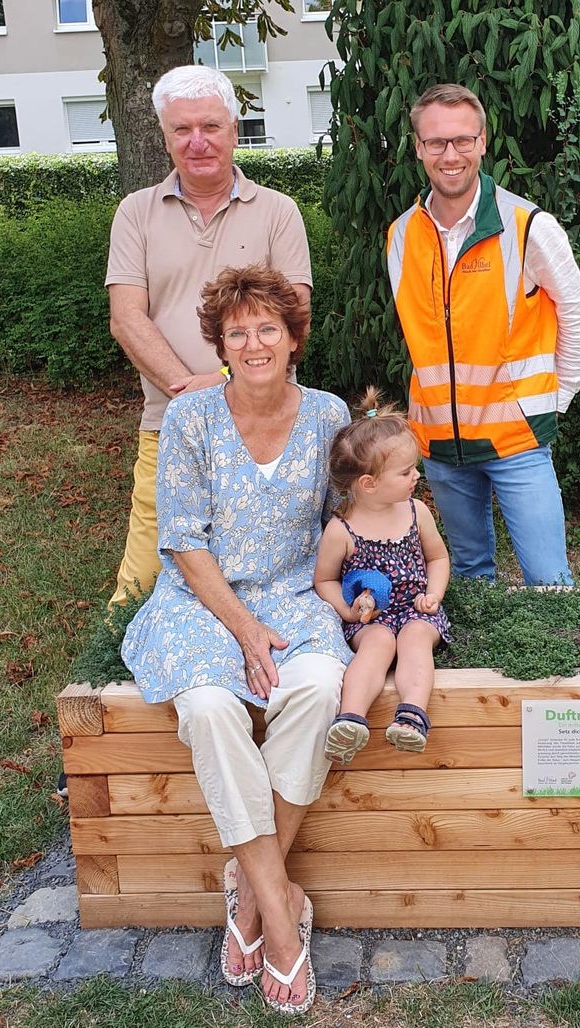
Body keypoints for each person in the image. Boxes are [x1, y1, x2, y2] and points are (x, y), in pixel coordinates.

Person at [121, 265, 349, 1014]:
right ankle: (281, 917)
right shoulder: (190, 417)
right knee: (211, 709)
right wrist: (244, 629)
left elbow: (348, 516)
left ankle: (249, 894)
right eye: (237, 332)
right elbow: (183, 540)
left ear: (293, 340)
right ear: (219, 345)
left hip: (294, 596)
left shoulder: (327, 414)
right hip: (200, 600)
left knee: (318, 689)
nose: (253, 344)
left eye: (267, 329)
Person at [105, 64, 313, 609]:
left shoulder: (278, 212)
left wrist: (223, 380)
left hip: (266, 426)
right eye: (182, 129)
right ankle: (123, 655)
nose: (197, 142)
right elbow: (126, 318)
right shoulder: (135, 213)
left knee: (268, 574)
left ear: (234, 129)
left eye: (210, 126)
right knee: (143, 579)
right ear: (164, 136)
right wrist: (189, 390)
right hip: (168, 423)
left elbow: (294, 315)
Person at [386, 83, 580, 586]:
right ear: (418, 148)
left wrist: (557, 398)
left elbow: (578, 312)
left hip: (517, 437)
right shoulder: (401, 235)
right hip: (439, 440)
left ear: (482, 142)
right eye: (436, 142)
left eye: (463, 140)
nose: (450, 155)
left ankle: (555, 642)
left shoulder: (527, 225)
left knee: (549, 581)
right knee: (470, 579)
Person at [313, 389, 451, 763]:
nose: (416, 476)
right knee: (377, 644)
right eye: (405, 472)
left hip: (417, 609)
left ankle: (412, 716)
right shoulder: (341, 530)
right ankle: (350, 720)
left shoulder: (416, 511)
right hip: (370, 616)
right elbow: (324, 580)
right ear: (369, 483)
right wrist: (347, 609)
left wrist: (434, 594)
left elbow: (438, 557)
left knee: (415, 639)